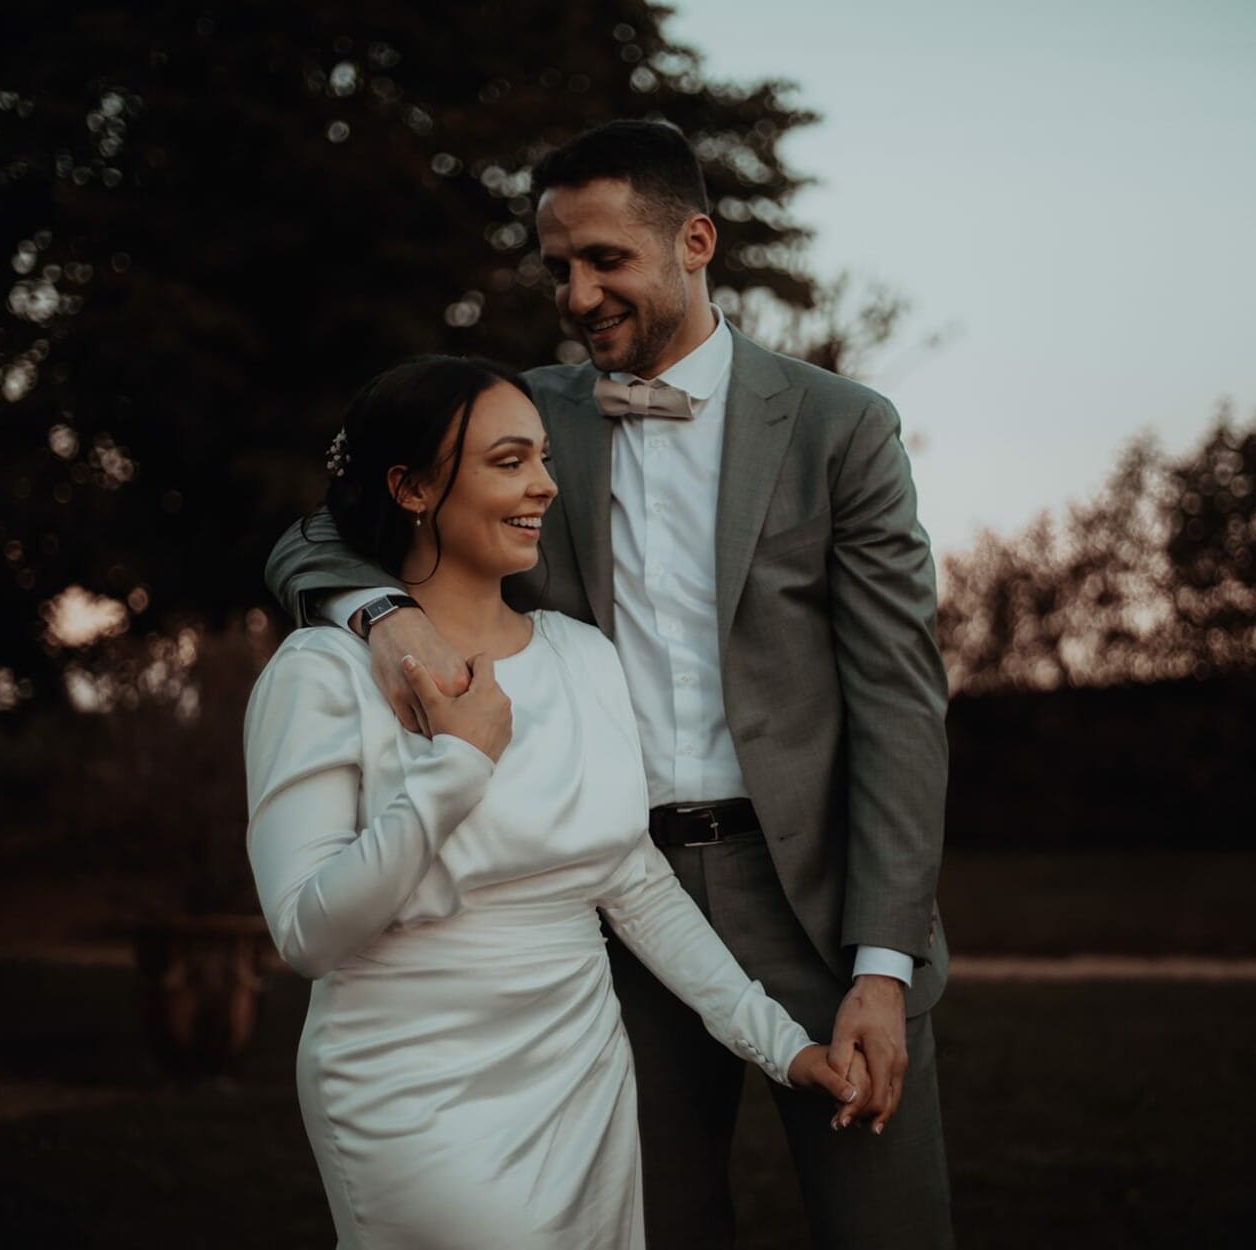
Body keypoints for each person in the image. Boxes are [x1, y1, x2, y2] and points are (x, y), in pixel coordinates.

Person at [267, 121, 953, 1249]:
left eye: (605, 260)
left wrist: (882, 963)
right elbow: (315, 534)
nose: (577, 294)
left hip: (821, 909)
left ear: (695, 241)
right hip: (612, 909)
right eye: (556, 268)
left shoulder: (841, 429)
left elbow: (898, 707)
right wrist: (380, 613)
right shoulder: (523, 422)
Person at [245, 356, 862, 1250]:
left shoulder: (582, 656)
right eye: (507, 462)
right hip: (408, 1089)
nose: (545, 485)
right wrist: (455, 766)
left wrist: (783, 1045)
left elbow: (636, 885)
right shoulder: (319, 674)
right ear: (411, 487)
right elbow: (306, 934)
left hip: (581, 1086)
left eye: (541, 457)